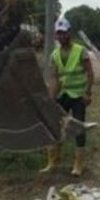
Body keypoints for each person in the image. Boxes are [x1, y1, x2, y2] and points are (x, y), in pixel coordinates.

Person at [40, 17, 94, 176]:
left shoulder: (80, 51)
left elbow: (90, 73)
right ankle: (53, 160)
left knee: (78, 128)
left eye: (64, 33)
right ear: (56, 35)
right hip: (62, 95)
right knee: (55, 127)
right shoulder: (54, 55)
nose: (61, 36)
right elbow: (54, 79)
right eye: (59, 34)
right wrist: (51, 99)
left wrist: (88, 93)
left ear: (69, 33)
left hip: (78, 96)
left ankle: (78, 164)